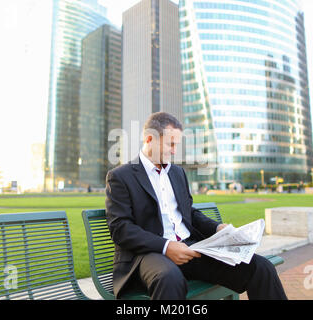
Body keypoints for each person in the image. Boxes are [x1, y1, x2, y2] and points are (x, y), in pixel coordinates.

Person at [105, 112, 287, 300]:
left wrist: (218, 228)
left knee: (261, 267)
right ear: (150, 139)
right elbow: (121, 229)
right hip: (149, 254)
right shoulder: (120, 176)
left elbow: (188, 212)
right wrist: (167, 246)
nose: (175, 151)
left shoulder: (177, 173)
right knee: (170, 278)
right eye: (171, 144)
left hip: (192, 250)